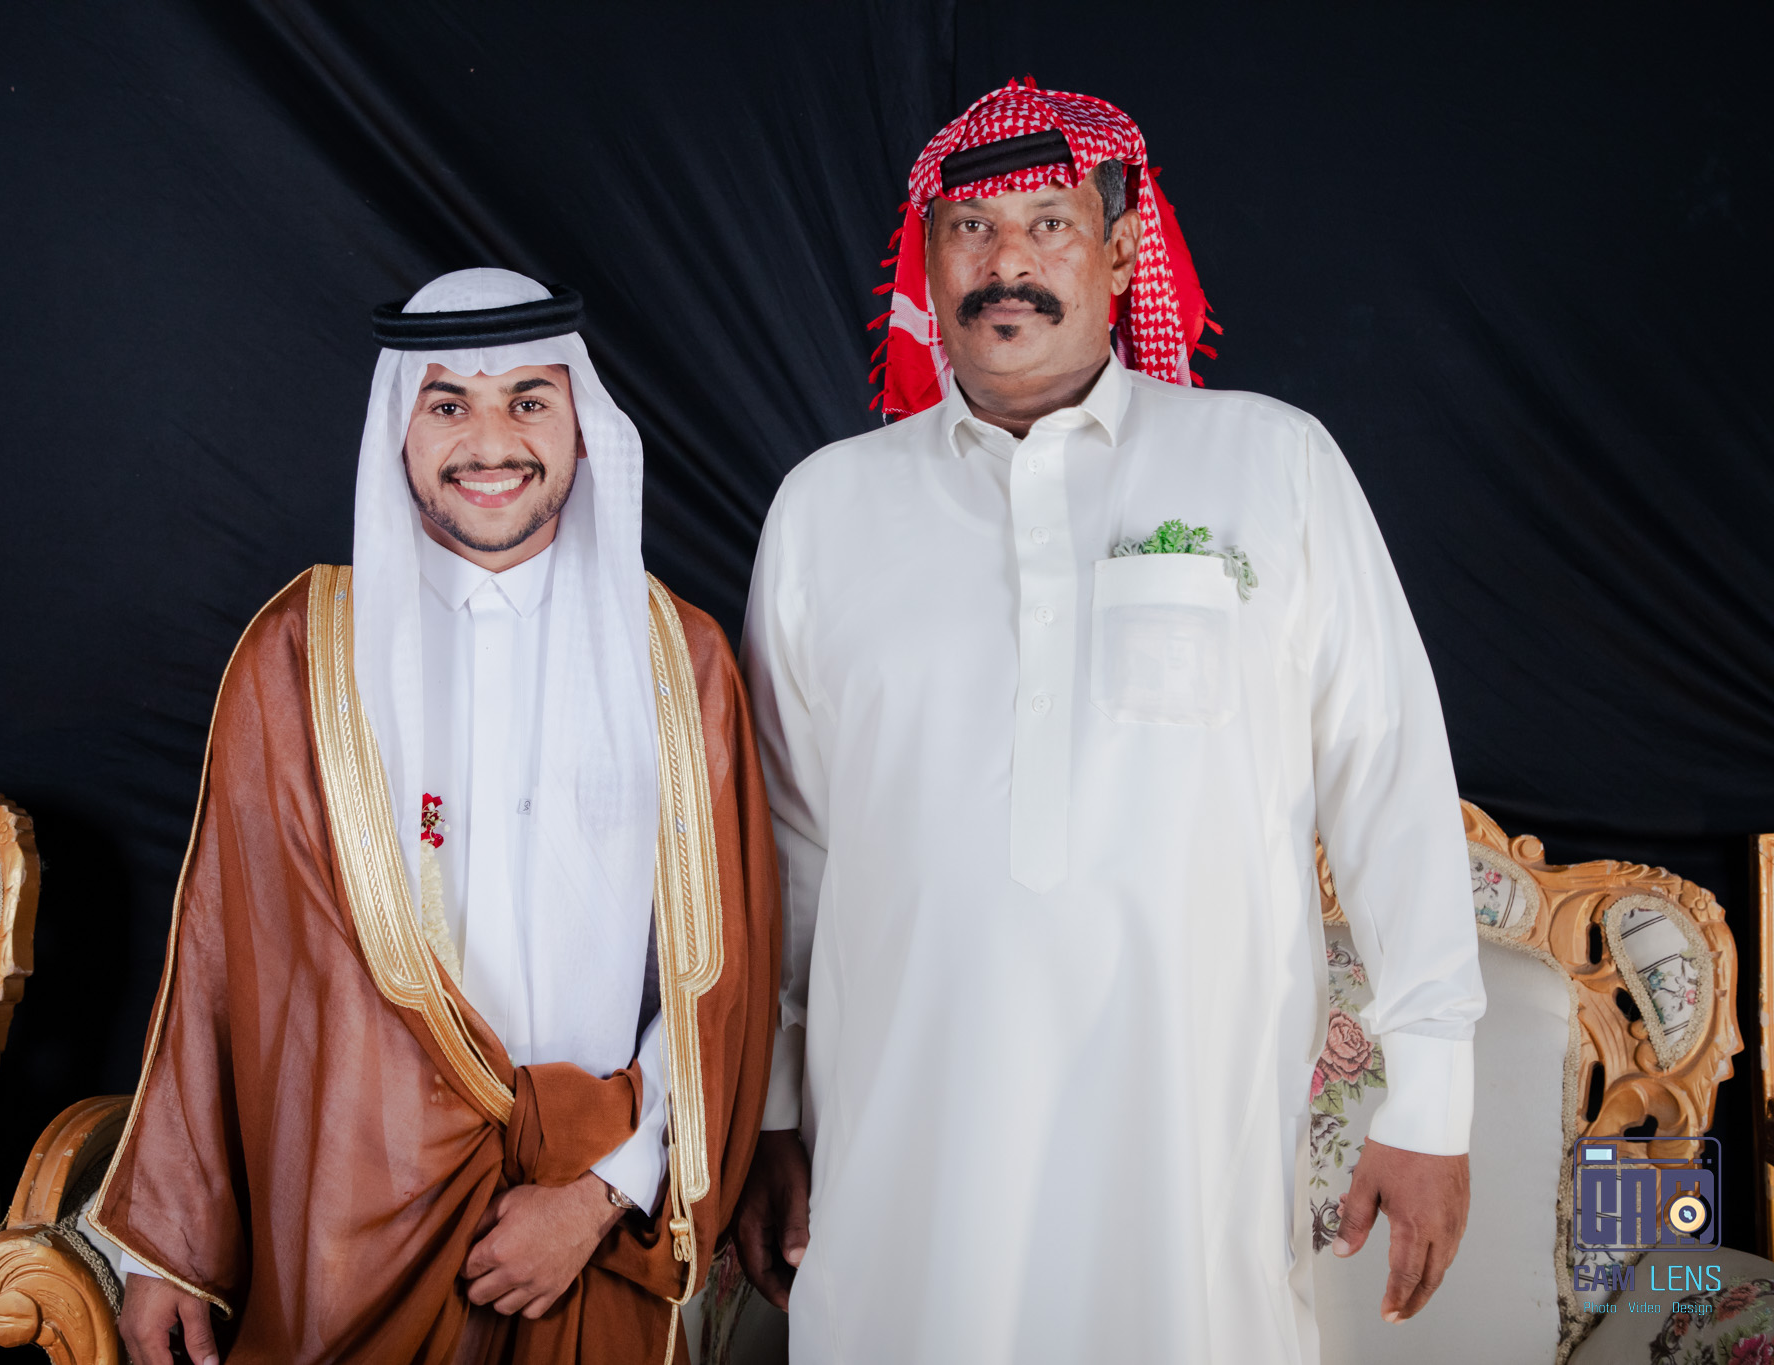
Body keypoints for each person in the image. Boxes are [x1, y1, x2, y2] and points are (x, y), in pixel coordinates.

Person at [732, 81, 1485, 1364]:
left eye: (1048, 224)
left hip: (1189, 1135)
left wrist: (1431, 1099)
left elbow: (1389, 778)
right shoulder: (826, 509)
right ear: (926, 261)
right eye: (970, 228)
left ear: (1124, 249)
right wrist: (772, 1113)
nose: (1006, 264)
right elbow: (789, 848)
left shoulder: (1271, 465)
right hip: (908, 1141)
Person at [89, 268, 778, 1365]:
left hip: (587, 1230)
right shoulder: (302, 656)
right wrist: (166, 1250)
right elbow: (222, 965)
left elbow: (719, 979)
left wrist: (603, 1191)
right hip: (353, 1225)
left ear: (582, 425)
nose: (490, 441)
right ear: (397, 430)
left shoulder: (677, 662)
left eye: (528, 400)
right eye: (448, 402)